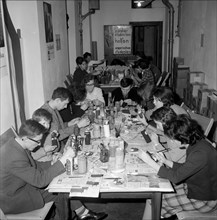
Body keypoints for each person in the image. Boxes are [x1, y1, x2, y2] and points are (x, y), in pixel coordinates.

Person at [0, 119, 107, 220]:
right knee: (60, 192)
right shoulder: (13, 156)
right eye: (37, 141)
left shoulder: (16, 143)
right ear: (25, 138)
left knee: (61, 183)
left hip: (22, 186)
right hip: (14, 199)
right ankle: (78, 215)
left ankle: (83, 214)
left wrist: (51, 163)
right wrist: (63, 160)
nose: (39, 144)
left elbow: (32, 165)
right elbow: (40, 181)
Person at [141, 114, 217, 220]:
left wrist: (149, 161)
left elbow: (176, 177)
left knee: (154, 199)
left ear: (182, 138)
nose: (171, 142)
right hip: (195, 188)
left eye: (172, 139)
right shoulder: (196, 144)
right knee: (157, 195)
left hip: (205, 199)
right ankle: (159, 214)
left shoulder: (200, 153)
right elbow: (186, 167)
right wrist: (166, 161)